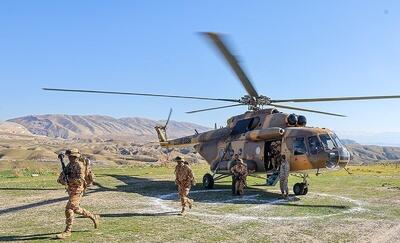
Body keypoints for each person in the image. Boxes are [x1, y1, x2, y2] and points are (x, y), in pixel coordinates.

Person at [56, 148, 99, 239]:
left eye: (72, 156)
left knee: (69, 209)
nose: (70, 158)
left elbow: (80, 180)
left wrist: (69, 181)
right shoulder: (69, 165)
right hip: (71, 189)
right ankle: (93, 216)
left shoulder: (80, 166)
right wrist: (62, 179)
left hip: (78, 190)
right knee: (76, 209)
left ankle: (67, 231)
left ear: (76, 156)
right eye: (69, 156)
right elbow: (63, 175)